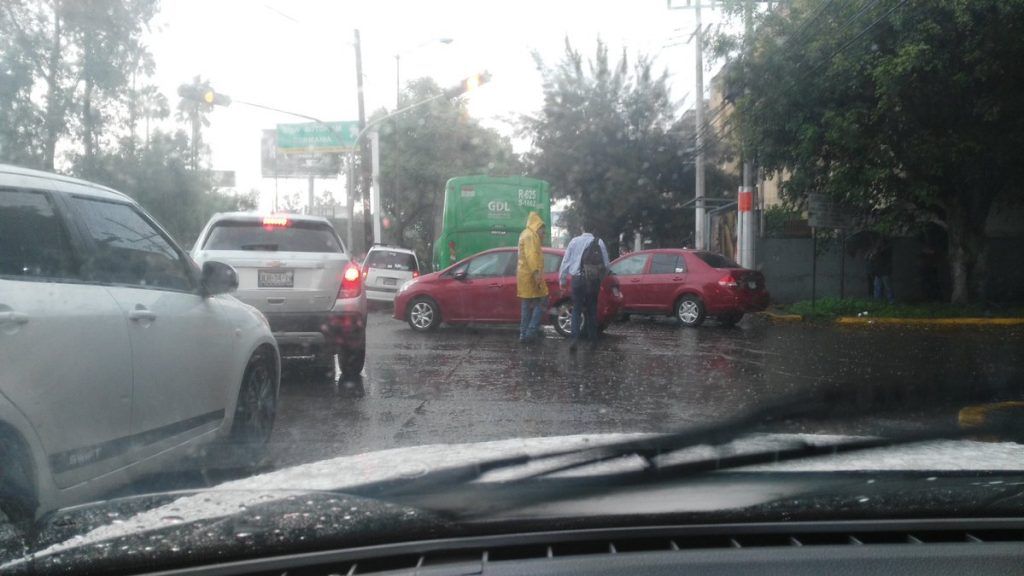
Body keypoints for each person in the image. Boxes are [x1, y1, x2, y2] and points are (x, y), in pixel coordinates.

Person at [559, 225, 610, 350]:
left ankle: (574, 339)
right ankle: (592, 340)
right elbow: (606, 265)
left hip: (577, 280)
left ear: (582, 228)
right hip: (592, 280)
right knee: (592, 309)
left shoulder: (574, 242)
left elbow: (565, 262)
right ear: (593, 229)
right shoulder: (599, 242)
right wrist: (600, 278)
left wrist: (562, 280)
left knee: (576, 309)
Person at [516, 211, 548, 344]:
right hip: (531, 276)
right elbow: (531, 256)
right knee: (542, 301)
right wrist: (536, 274)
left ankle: (523, 334)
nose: (543, 233)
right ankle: (530, 331)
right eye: (542, 230)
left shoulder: (525, 234)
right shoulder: (531, 236)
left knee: (526, 306)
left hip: (524, 276)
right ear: (537, 226)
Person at [867, 236, 895, 303]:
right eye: (878, 242)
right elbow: (871, 258)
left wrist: (876, 252)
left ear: (883, 242)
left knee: (888, 287)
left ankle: (891, 301)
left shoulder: (887, 248)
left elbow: (879, 254)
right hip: (878, 272)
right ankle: (878, 301)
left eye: (880, 242)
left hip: (885, 271)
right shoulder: (878, 249)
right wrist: (872, 254)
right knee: (877, 287)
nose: (879, 243)